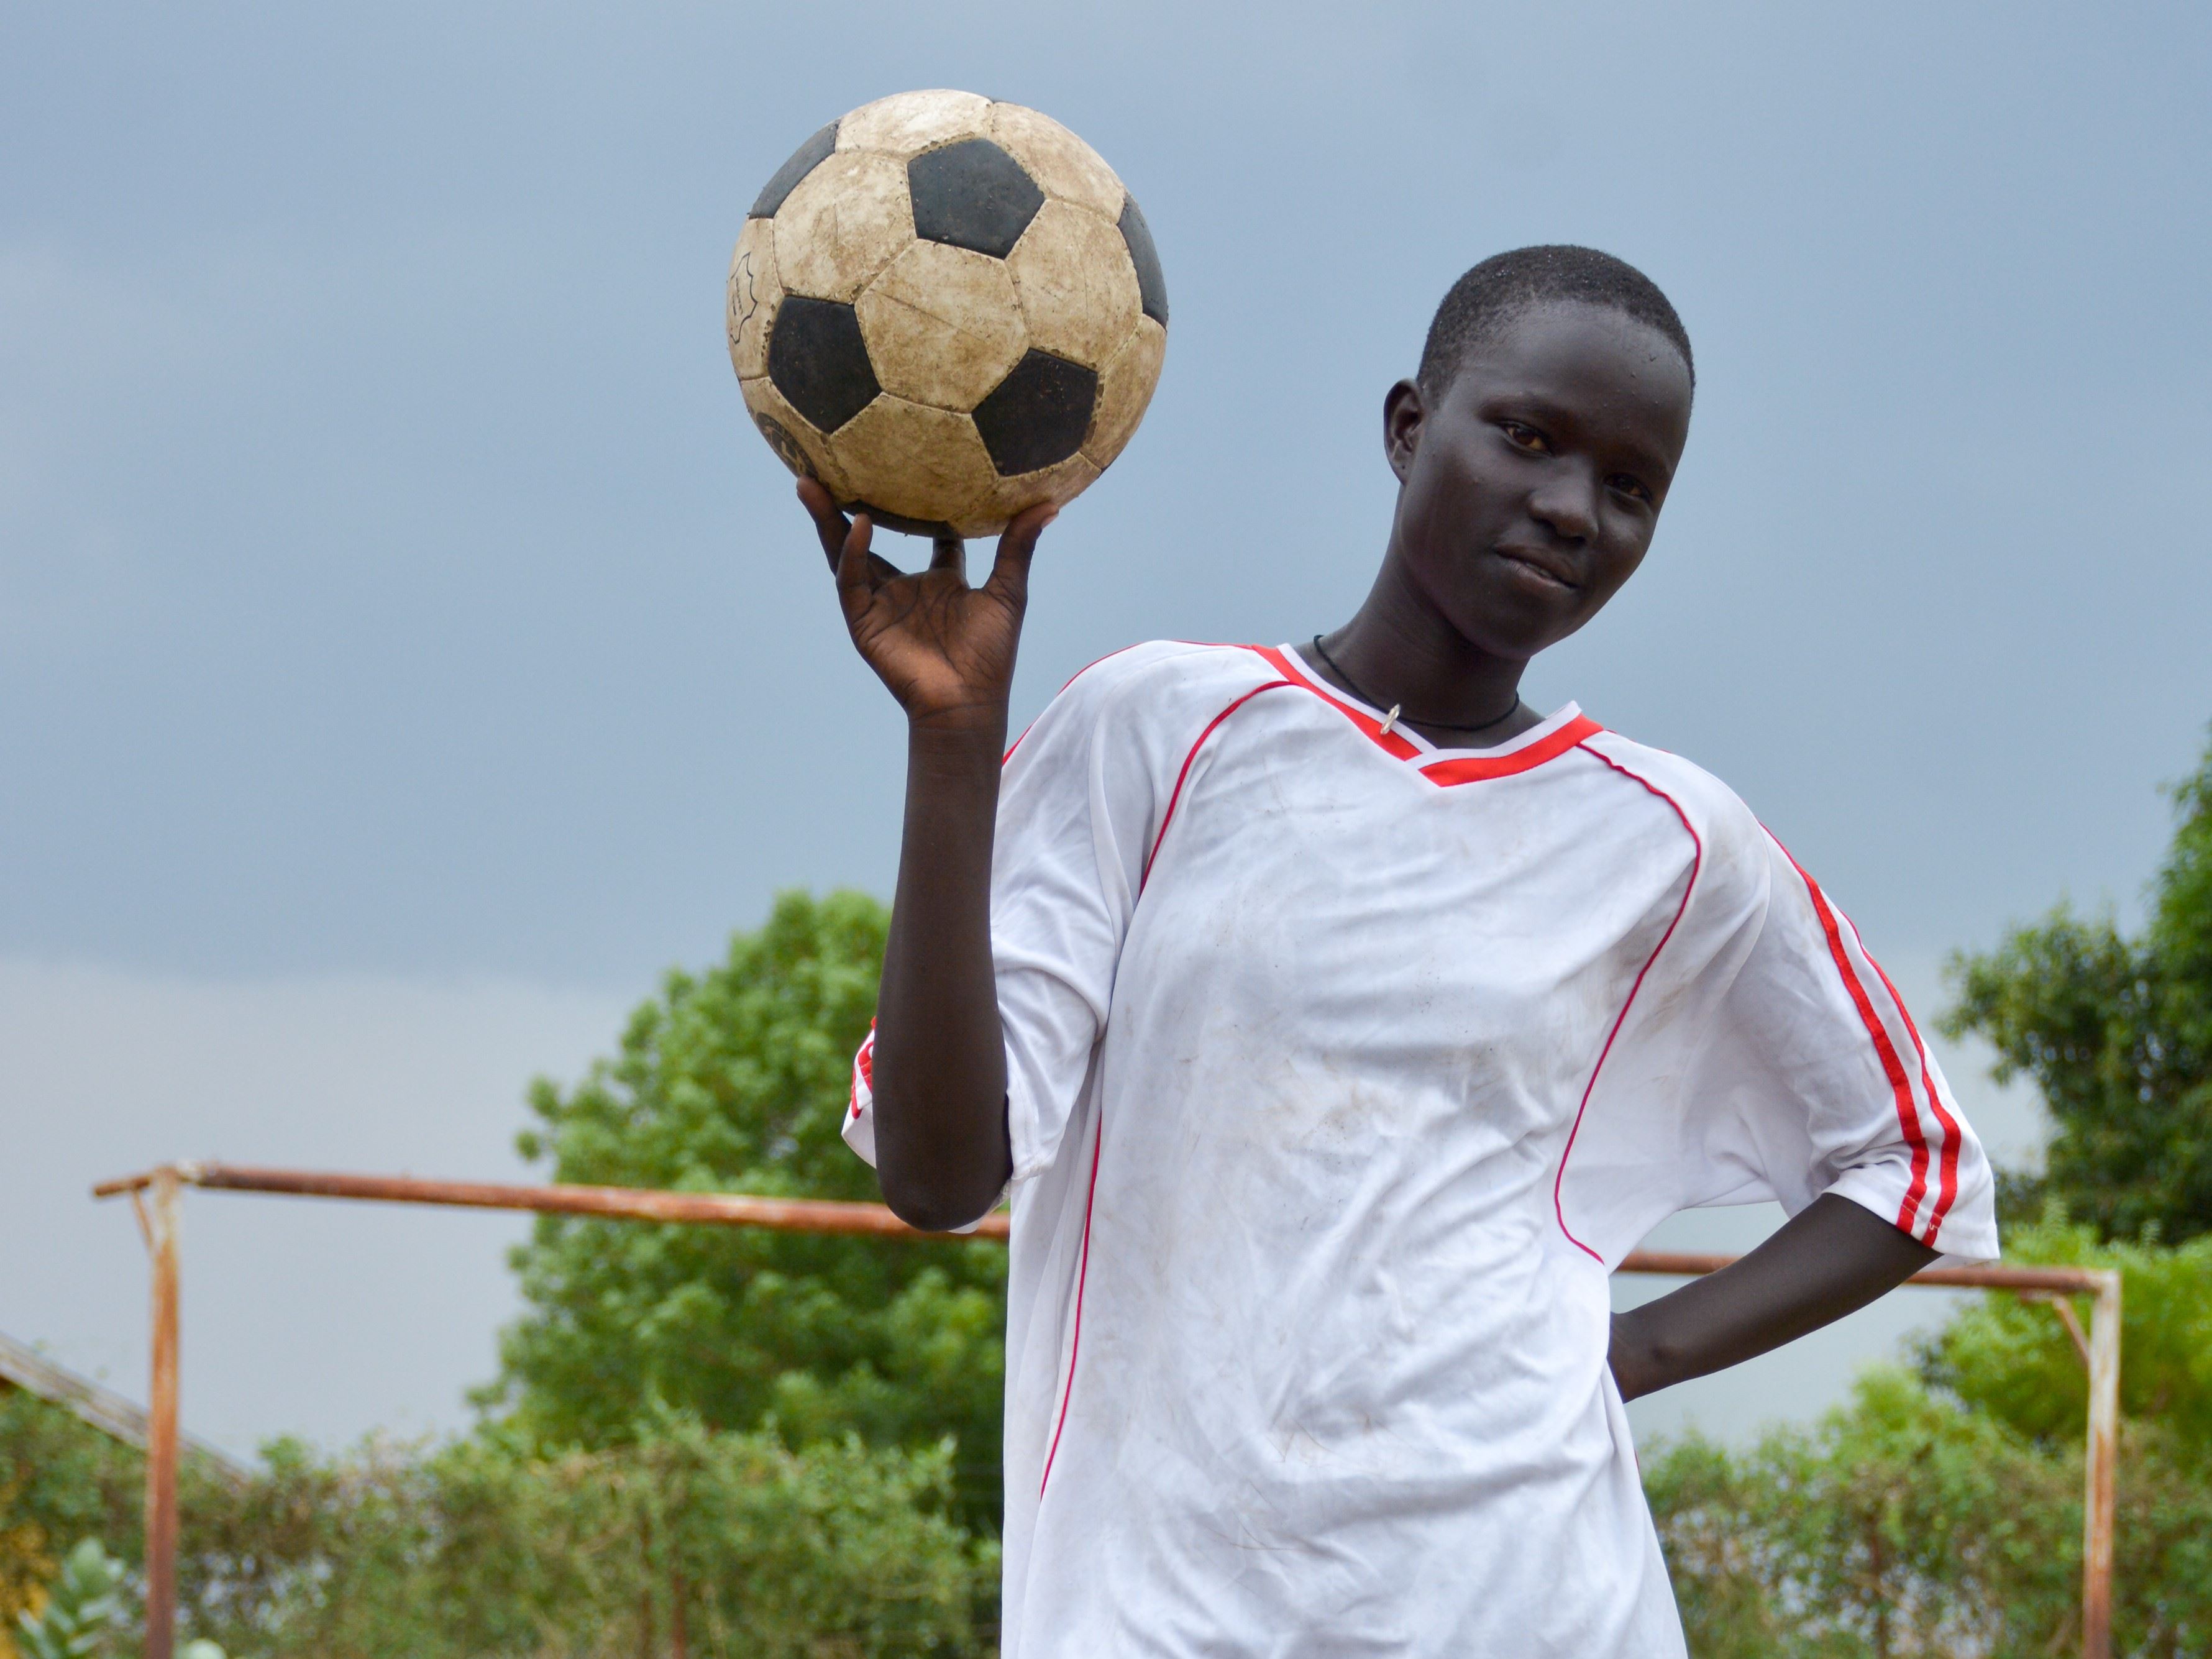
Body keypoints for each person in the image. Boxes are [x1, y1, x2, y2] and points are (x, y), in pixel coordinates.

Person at [802, 245, 1997, 1657]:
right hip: (1159, 1616)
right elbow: (941, 1179)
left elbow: (1916, 1163)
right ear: (1409, 428)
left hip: (1530, 1604)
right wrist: (952, 742)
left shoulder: (1673, 841)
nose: (1572, 509)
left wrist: (1617, 1359)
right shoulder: (1157, 729)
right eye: (1528, 437)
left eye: (1630, 487)